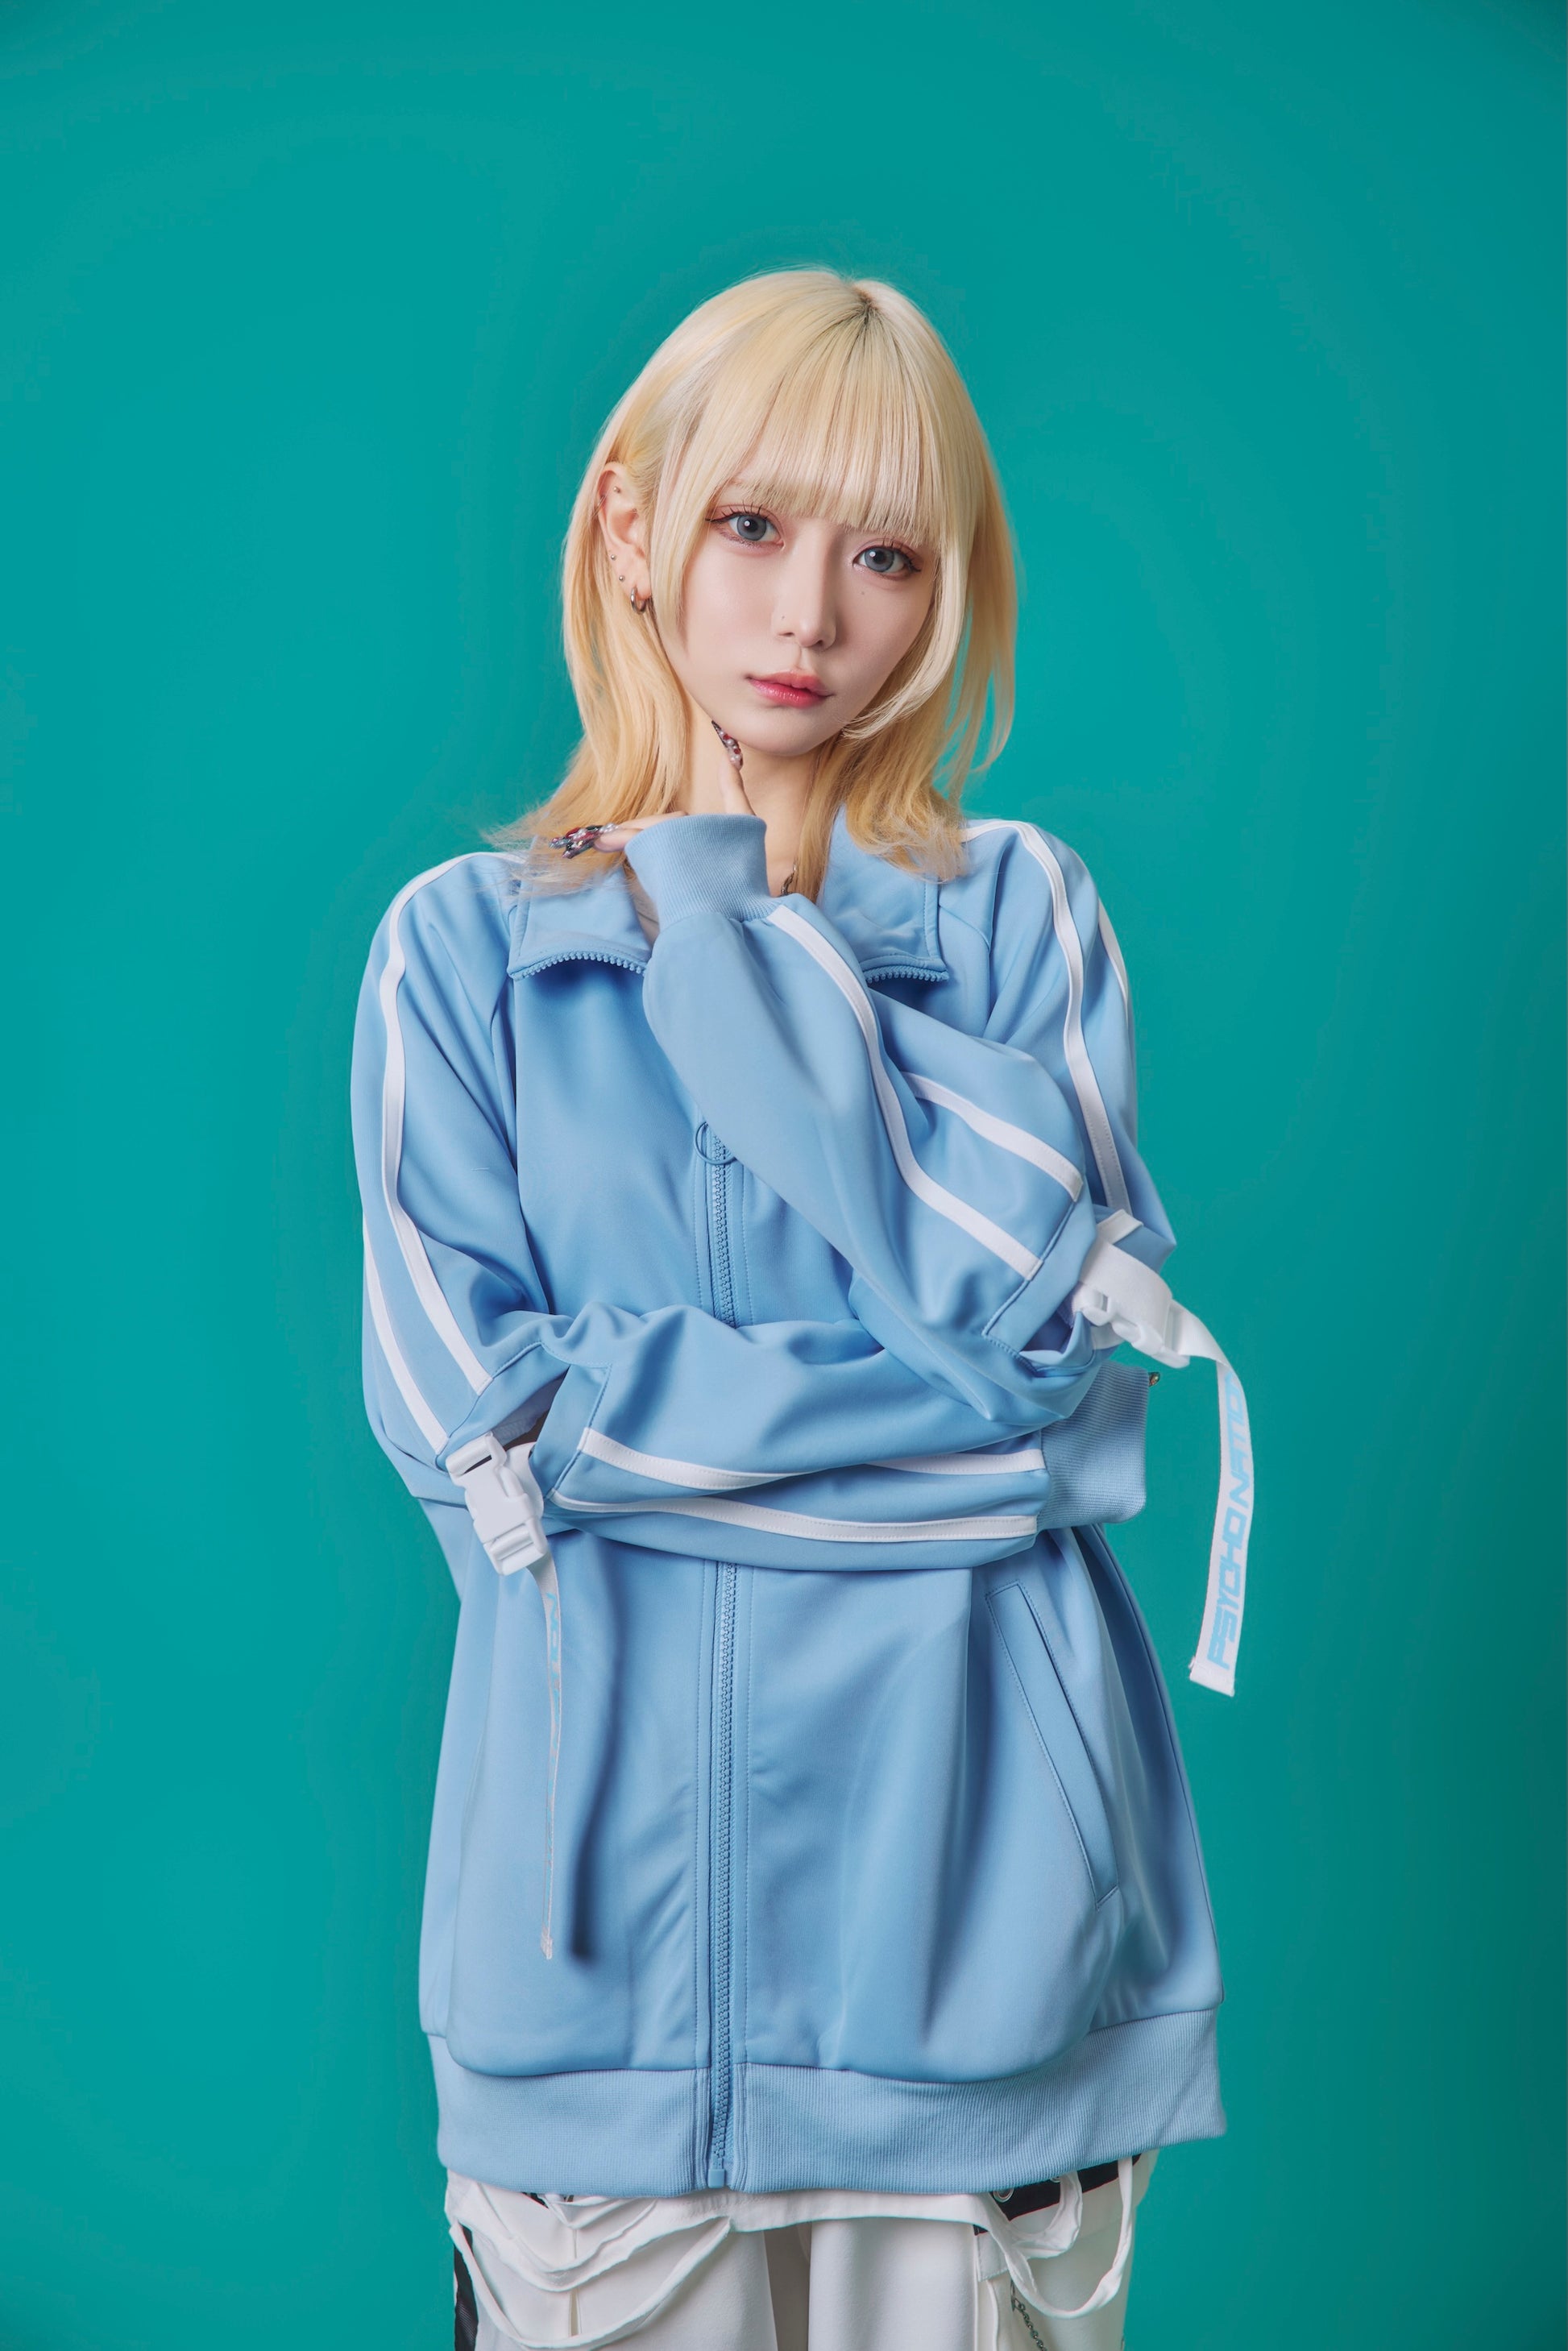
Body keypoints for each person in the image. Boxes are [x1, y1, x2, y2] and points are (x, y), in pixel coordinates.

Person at [351, 269, 1252, 2350]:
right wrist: (945, 1440)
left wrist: (647, 1427)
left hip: (987, 1959)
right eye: (750, 525)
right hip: (590, 1989)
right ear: (632, 525)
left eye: (886, 557)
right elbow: (479, 1435)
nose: (810, 616)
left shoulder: (1015, 918)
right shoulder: (460, 956)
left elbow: (1053, 1385)